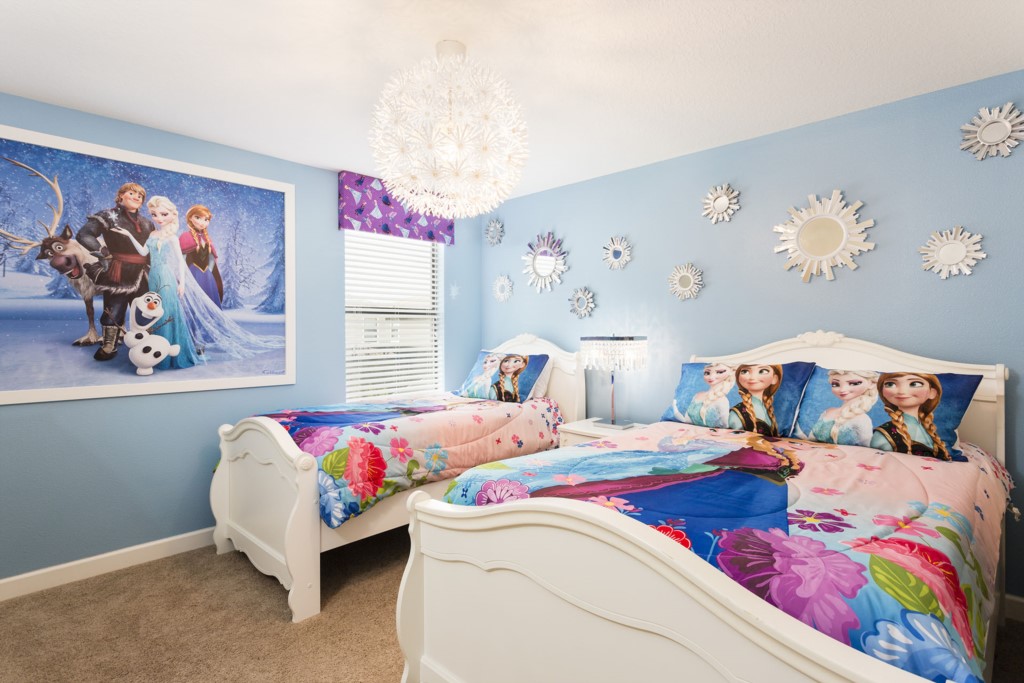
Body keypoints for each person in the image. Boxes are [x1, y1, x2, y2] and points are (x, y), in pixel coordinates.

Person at [77, 182, 156, 360]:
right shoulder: (107, 216)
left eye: (140, 196)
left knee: (144, 308)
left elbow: (152, 249)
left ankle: (145, 343)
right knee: (114, 307)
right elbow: (84, 235)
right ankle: (109, 345)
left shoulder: (147, 223)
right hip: (119, 270)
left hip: (144, 272)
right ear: (120, 196)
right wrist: (102, 252)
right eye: (131, 193)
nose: (136, 197)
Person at [144, 197, 202, 369]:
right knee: (154, 311)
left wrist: (182, 283)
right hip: (153, 275)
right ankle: (156, 349)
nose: (158, 218)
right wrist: (128, 236)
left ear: (172, 215)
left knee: (166, 310)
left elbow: (180, 262)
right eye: (154, 214)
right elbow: (143, 252)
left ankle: (169, 352)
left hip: (165, 276)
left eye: (163, 214)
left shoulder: (172, 237)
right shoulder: (152, 234)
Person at [870, 372, 949, 460]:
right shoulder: (883, 435)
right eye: (890, 384)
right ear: (882, 391)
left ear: (932, 392)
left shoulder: (927, 429)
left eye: (914, 384)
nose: (901, 391)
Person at [807, 370, 879, 446]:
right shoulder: (828, 412)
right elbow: (811, 438)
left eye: (854, 383)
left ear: (872, 384)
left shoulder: (862, 419)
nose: (842, 390)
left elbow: (866, 449)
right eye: (836, 384)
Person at [179, 204, 223, 307]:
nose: (202, 222)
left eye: (206, 219)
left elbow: (211, 259)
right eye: (198, 218)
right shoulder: (185, 236)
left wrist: (212, 273)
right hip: (192, 274)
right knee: (194, 299)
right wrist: (182, 277)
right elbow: (181, 259)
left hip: (207, 275)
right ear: (190, 218)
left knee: (209, 297)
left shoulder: (207, 238)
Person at [728, 364, 782, 436]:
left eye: (762, 371)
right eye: (745, 371)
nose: (752, 377)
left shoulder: (767, 409)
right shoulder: (736, 413)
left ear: (774, 379)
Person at [684, 363, 734, 427]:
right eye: (707, 373)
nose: (711, 377)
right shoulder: (697, 395)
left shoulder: (722, 400)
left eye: (719, 372)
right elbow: (687, 419)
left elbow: (725, 425)